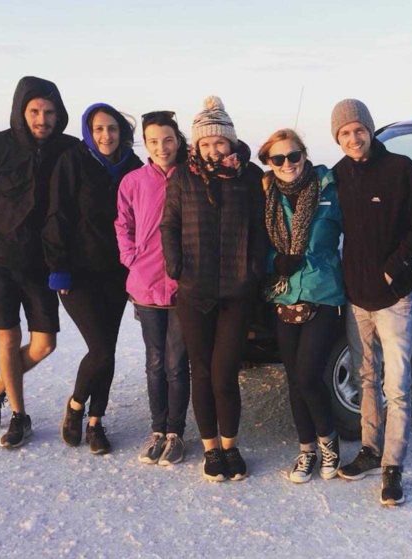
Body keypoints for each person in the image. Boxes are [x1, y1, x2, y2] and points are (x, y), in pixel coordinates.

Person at [331, 99, 412, 505]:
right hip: (357, 298)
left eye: (359, 130)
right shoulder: (339, 176)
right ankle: (370, 451)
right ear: (337, 139)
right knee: (366, 378)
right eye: (345, 133)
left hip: (395, 296)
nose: (354, 138)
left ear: (370, 130)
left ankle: (393, 465)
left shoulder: (400, 169)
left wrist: (394, 266)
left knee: (397, 383)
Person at [0, 76, 78, 448]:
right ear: (21, 111)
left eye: (49, 112)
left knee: (44, 343)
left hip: (42, 262)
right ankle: (19, 415)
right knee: (9, 336)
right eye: (34, 111)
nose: (42, 119)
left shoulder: (67, 149)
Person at [160, 96, 266, 482]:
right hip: (195, 290)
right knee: (201, 371)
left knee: (225, 373)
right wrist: (177, 267)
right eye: (204, 143)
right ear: (196, 145)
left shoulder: (250, 177)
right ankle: (210, 448)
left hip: (237, 291)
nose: (212, 149)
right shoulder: (184, 177)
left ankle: (230, 444)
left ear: (231, 141)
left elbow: (261, 229)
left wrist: (254, 270)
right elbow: (168, 225)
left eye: (218, 142)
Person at [43, 103, 143, 454]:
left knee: (108, 350)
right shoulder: (74, 161)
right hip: (78, 274)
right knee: (99, 348)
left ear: (122, 131)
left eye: (112, 128)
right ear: (89, 131)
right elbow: (57, 215)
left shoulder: (133, 167)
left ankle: (95, 422)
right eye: (99, 129)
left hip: (117, 274)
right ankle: (75, 408)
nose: (106, 135)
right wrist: (58, 267)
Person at [258, 129, 345, 483]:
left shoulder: (329, 189)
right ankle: (306, 449)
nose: (287, 164)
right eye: (278, 158)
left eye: (293, 156)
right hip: (284, 294)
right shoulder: (266, 196)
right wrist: (274, 260)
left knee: (309, 375)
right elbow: (251, 241)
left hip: (323, 292)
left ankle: (329, 442)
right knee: (294, 379)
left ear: (304, 155)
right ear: (269, 162)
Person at [115, 111, 190, 466]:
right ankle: (157, 429)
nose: (162, 147)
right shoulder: (133, 181)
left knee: (177, 363)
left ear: (178, 141)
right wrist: (131, 257)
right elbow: (123, 222)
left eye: (169, 140)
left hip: (182, 286)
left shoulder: (190, 177)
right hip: (145, 285)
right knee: (154, 362)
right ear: (145, 144)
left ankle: (176, 432)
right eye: (154, 141)